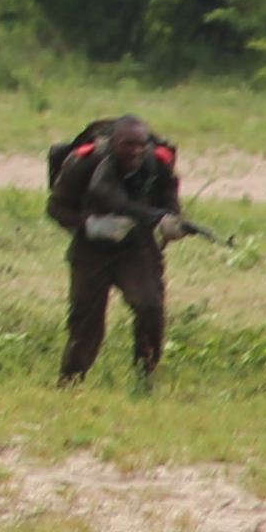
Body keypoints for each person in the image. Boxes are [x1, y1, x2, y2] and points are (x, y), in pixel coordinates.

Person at [45, 111, 207, 387]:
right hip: (91, 249)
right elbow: (55, 208)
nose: (136, 151)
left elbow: (169, 206)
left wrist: (171, 225)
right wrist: (91, 224)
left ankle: (146, 377)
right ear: (112, 143)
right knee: (85, 320)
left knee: (150, 307)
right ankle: (70, 380)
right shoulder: (83, 163)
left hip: (138, 248)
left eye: (142, 144)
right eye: (128, 144)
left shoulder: (158, 165)